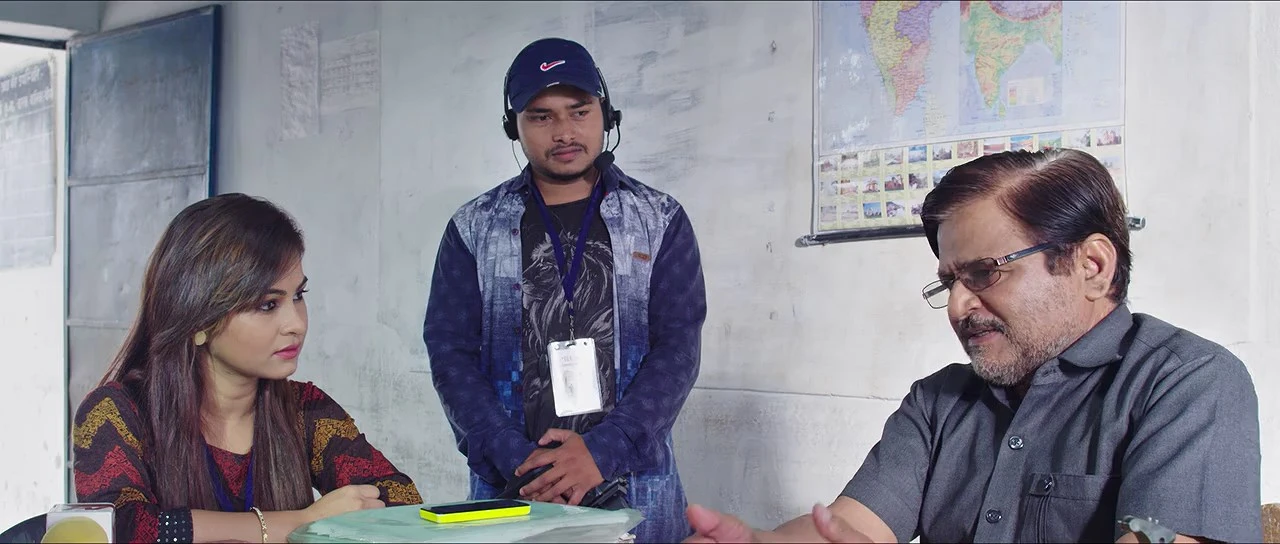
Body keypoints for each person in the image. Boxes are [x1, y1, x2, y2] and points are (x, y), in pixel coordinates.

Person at [683, 149, 1262, 543]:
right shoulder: (939, 401)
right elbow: (851, 527)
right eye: (949, 282)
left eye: (985, 272)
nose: (958, 306)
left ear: (1091, 265)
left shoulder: (1189, 382)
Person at [423, 37, 706, 543]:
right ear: (513, 125)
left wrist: (602, 451)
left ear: (606, 114)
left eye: (579, 111)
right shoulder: (474, 227)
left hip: (637, 493)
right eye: (541, 116)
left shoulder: (659, 219)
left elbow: (678, 350)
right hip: (515, 490)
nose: (564, 132)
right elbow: (450, 353)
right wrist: (520, 460)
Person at [72, 193, 423, 543]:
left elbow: (401, 501)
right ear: (198, 318)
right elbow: (122, 530)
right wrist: (301, 522)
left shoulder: (305, 409)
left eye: (298, 296)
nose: (297, 324)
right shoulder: (117, 413)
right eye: (268, 305)